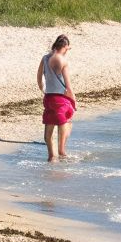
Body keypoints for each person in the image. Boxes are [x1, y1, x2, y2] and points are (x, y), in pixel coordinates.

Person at [36, 34, 76, 162]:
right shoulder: (63, 61)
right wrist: (73, 100)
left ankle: (52, 157)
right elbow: (68, 87)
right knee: (67, 120)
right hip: (61, 99)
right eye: (67, 49)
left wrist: (42, 88)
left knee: (49, 129)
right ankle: (62, 150)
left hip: (48, 98)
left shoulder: (45, 58)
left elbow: (39, 76)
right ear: (64, 47)